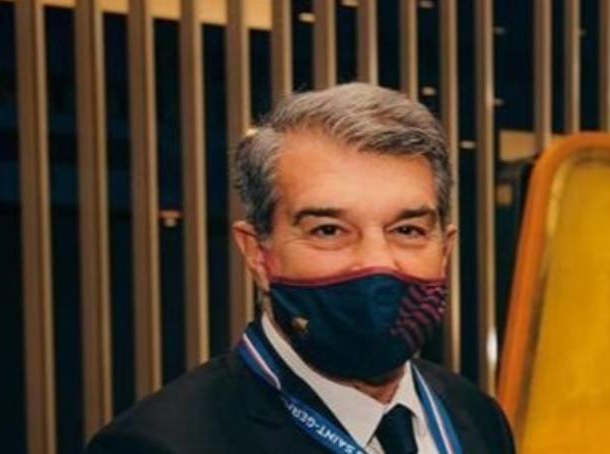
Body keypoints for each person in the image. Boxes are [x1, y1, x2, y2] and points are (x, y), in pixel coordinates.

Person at [88, 83, 515, 454]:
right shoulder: (159, 445)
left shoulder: (476, 416)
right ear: (257, 253)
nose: (377, 261)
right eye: (328, 230)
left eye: (407, 230)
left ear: (445, 249)